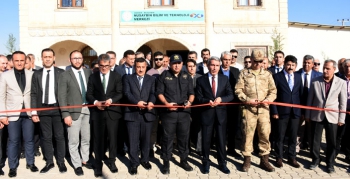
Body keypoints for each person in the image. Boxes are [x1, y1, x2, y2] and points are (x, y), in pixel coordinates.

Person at [235, 49, 277, 172]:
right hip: (249, 110)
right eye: (256, 61)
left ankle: (264, 161)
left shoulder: (267, 74)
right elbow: (238, 90)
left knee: (264, 134)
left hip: (264, 110)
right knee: (248, 135)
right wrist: (247, 99)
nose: (258, 64)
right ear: (251, 60)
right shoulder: (244, 73)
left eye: (260, 61)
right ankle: (247, 160)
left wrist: (268, 100)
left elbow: (273, 90)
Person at [0, 51, 38, 177]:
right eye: (17, 60)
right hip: (12, 114)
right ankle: (12, 166)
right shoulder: (5, 76)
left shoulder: (32, 74)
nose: (19, 63)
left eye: (22, 60)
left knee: (29, 140)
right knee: (13, 141)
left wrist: (34, 112)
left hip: (28, 113)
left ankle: (30, 163)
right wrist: (3, 115)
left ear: (25, 61)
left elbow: (34, 95)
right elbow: (1, 96)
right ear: (13, 61)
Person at [305, 59, 347, 173]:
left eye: (328, 68)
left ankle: (330, 163)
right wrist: (308, 114)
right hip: (316, 115)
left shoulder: (341, 83)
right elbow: (310, 100)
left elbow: (343, 102)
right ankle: (315, 160)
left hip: (332, 116)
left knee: (332, 141)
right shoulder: (315, 81)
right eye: (324, 68)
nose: (324, 70)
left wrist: (341, 118)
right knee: (315, 140)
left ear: (334, 69)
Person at [156, 54, 194, 174]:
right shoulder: (164, 75)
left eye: (178, 63)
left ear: (182, 64)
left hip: (184, 113)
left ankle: (183, 160)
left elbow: (191, 93)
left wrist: (190, 102)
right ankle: (166, 162)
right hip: (169, 114)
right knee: (167, 138)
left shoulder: (186, 76)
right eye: (174, 63)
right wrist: (166, 104)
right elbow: (159, 93)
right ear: (170, 64)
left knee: (183, 138)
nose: (176, 65)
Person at [30, 48, 66, 173]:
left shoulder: (61, 73)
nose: (47, 59)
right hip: (43, 109)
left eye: (50, 56)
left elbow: (65, 93)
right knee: (46, 137)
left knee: (59, 136)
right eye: (45, 57)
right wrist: (34, 111)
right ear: (42, 58)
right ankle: (49, 162)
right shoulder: (37, 74)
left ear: (54, 58)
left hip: (58, 109)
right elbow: (33, 93)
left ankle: (61, 162)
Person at [86, 54, 122, 177]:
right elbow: (89, 94)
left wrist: (111, 100)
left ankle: (112, 161)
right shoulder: (93, 77)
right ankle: (98, 164)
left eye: (106, 66)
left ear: (110, 64)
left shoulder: (116, 76)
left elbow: (119, 93)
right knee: (98, 140)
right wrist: (96, 103)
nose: (104, 68)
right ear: (99, 64)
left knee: (112, 139)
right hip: (98, 113)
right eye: (101, 66)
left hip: (112, 113)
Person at [196, 56, 233, 174]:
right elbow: (198, 97)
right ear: (207, 65)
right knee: (206, 139)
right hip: (207, 113)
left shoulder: (224, 79)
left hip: (221, 114)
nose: (214, 68)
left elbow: (231, 95)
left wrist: (221, 99)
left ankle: (222, 162)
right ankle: (205, 162)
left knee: (221, 140)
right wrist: (207, 101)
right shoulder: (201, 80)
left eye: (217, 65)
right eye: (212, 65)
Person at [58, 50, 92, 176]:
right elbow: (61, 96)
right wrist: (65, 114)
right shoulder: (65, 75)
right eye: (74, 58)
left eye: (79, 58)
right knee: (73, 140)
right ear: (70, 60)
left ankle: (85, 160)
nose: (77, 60)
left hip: (87, 110)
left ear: (82, 59)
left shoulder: (88, 72)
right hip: (72, 112)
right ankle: (77, 165)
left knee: (86, 138)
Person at [123, 58, 157, 175]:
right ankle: (134, 163)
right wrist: (137, 102)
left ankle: (145, 160)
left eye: (143, 67)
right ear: (134, 67)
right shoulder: (128, 78)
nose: (141, 69)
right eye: (138, 67)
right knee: (133, 141)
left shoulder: (151, 79)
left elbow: (153, 93)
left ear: (146, 67)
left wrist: (152, 102)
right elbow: (127, 93)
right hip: (132, 114)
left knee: (146, 140)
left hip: (148, 114)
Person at [270, 55, 302, 168]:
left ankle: (292, 157)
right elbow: (272, 95)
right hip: (281, 112)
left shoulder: (298, 77)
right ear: (284, 64)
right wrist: (274, 111)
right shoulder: (277, 77)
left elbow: (300, 94)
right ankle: (279, 157)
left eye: (293, 65)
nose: (290, 67)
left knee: (293, 136)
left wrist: (300, 111)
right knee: (280, 136)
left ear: (296, 66)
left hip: (295, 113)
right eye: (288, 64)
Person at [295, 55, 322, 152]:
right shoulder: (296, 74)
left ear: (312, 64)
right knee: (297, 130)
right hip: (298, 106)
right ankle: (296, 148)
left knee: (312, 130)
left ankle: (313, 150)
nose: (306, 64)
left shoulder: (319, 76)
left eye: (308, 63)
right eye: (304, 62)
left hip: (313, 108)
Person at [218, 51, 241, 157]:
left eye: (229, 60)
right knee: (221, 127)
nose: (227, 62)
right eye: (225, 60)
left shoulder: (236, 71)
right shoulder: (217, 70)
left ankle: (231, 148)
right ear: (221, 60)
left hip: (233, 104)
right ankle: (220, 149)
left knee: (233, 128)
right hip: (220, 103)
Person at [186, 59, 202, 155]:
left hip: (199, 107)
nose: (191, 68)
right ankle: (187, 147)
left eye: (193, 66)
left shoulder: (201, 78)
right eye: (189, 66)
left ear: (196, 67)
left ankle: (199, 148)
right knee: (187, 128)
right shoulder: (183, 77)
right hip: (187, 106)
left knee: (198, 128)